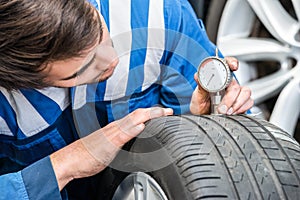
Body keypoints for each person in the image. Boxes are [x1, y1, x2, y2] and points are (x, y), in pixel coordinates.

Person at [0, 0, 253, 199]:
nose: (112, 60)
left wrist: (209, 123)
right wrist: (67, 163)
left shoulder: (155, 12)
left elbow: (239, 168)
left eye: (100, 30)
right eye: (81, 70)